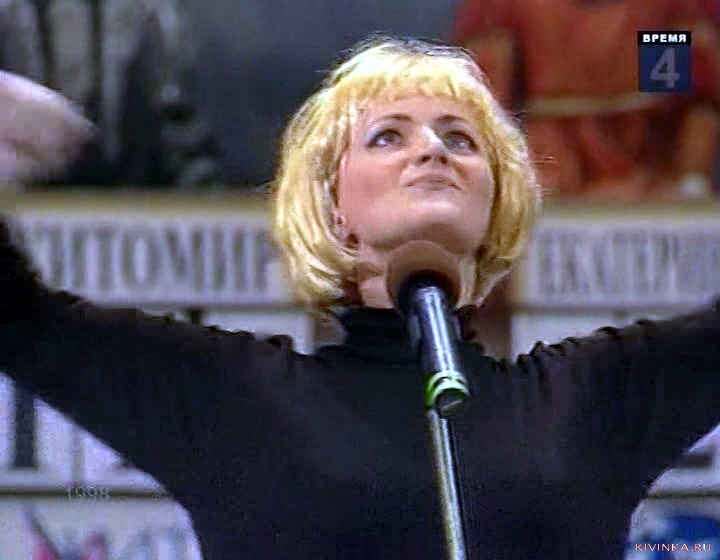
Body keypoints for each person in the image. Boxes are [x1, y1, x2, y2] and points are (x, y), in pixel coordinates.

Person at [1, 34, 720, 560]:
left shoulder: (596, 396)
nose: (431, 150)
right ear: (333, 209)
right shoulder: (232, 396)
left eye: (460, 139)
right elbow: (19, 321)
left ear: (494, 203)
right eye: (386, 137)